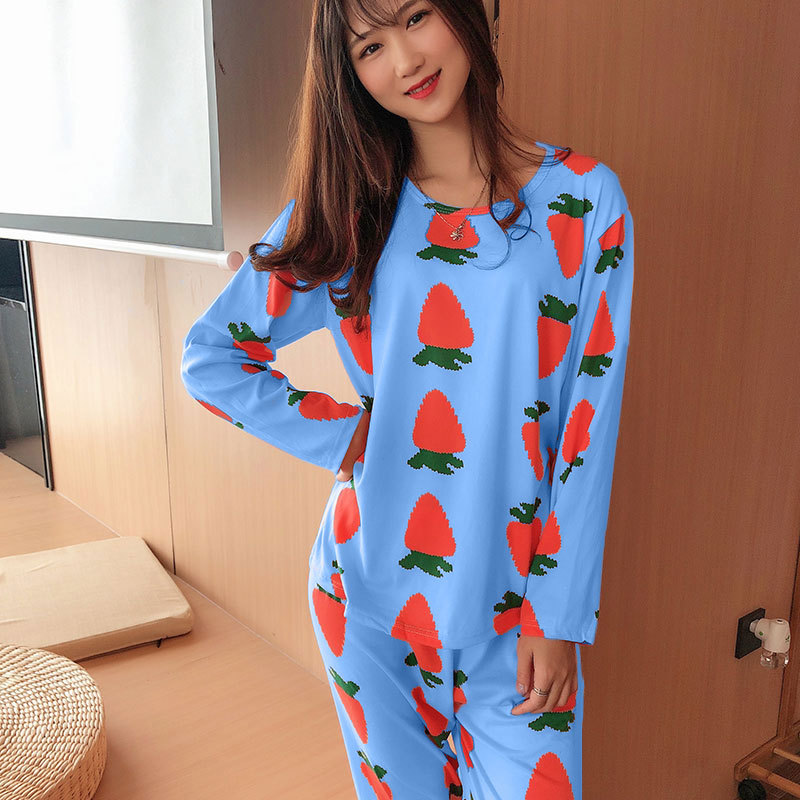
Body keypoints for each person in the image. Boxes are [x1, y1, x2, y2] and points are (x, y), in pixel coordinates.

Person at [180, 0, 634, 796]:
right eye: (369, 47)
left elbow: (586, 430)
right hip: (366, 592)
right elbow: (212, 356)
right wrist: (345, 434)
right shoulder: (349, 209)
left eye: (417, 16)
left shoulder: (586, 201)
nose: (405, 60)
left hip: (517, 607)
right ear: (351, 74)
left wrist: (557, 615)